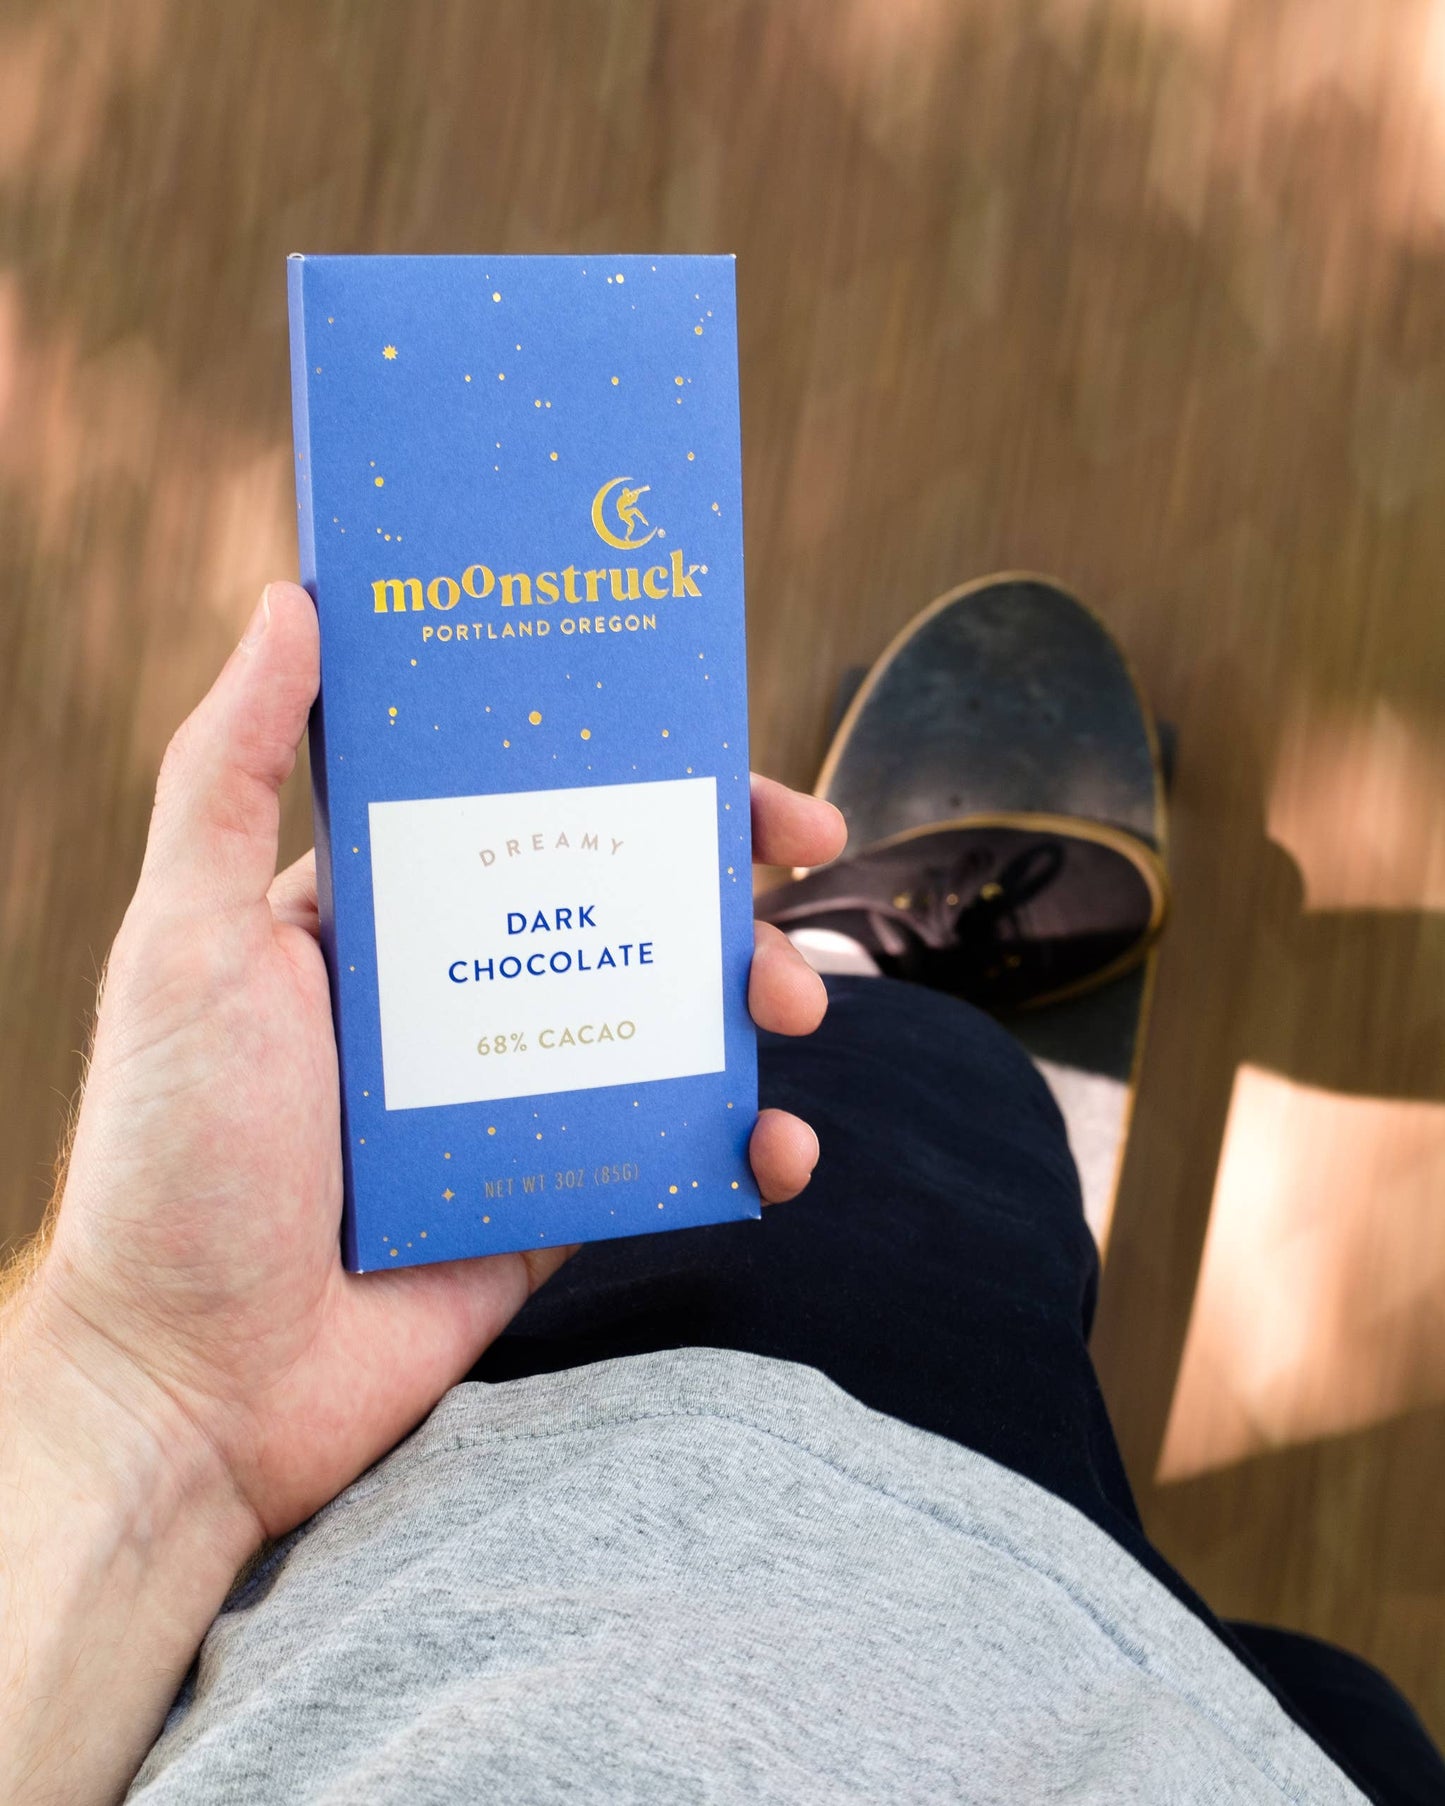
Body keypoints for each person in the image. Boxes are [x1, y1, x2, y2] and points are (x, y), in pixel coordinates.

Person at [0, 580, 1439, 1805]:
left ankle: (857, 979)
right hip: (1178, 1739)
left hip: (521, 1512)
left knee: (867, 1129)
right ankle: (877, 1001)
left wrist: (143, 1392)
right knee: (1331, 1711)